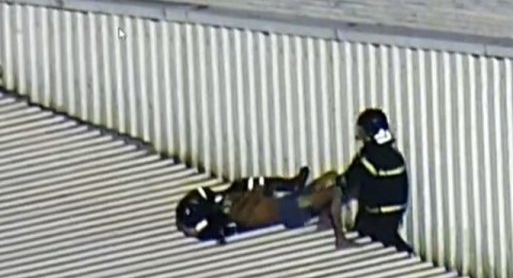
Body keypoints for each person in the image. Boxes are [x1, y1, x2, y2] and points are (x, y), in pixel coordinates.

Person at [175, 167, 347, 244]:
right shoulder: (231, 218)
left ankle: (295, 186)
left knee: (328, 182)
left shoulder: (228, 206)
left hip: (283, 205)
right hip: (287, 210)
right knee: (332, 190)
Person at [330, 107, 414, 254]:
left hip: (374, 220)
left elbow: (345, 185)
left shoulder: (367, 160)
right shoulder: (396, 157)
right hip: (394, 218)